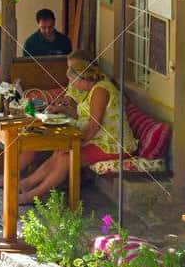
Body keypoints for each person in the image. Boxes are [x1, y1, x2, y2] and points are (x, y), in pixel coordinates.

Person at [17, 50, 137, 204]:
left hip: (113, 144)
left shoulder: (101, 90)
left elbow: (94, 126)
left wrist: (75, 144)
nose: (73, 85)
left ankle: (34, 195)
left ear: (82, 77)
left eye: (74, 81)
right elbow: (85, 118)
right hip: (100, 140)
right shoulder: (94, 88)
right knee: (60, 152)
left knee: (67, 158)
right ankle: (27, 184)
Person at [0, 8, 72, 93]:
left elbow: (69, 64)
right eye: (43, 28)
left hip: (60, 82)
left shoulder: (65, 41)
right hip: (38, 83)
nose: (48, 30)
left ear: (54, 22)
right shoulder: (31, 42)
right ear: (38, 24)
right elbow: (26, 68)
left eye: (50, 27)